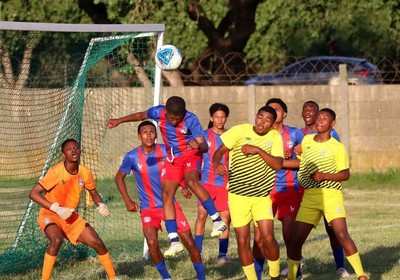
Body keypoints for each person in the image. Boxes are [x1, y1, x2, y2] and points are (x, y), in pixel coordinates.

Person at [108, 96, 226, 257]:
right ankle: (174, 241)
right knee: (167, 194)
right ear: (166, 113)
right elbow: (140, 116)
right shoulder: (158, 112)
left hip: (191, 154)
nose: (174, 121)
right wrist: (119, 120)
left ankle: (217, 221)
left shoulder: (191, 120)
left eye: (177, 118)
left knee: (191, 181)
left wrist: (198, 144)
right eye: (171, 118)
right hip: (174, 158)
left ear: (183, 114)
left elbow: (204, 146)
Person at [114, 120, 205, 280]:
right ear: (139, 136)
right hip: (148, 208)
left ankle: (201, 277)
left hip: (169, 205)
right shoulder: (132, 156)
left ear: (156, 135)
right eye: (145, 132)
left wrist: (184, 185)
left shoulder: (166, 151)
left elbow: (180, 167)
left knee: (189, 242)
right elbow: (119, 178)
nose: (148, 135)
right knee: (152, 243)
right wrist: (127, 200)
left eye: (151, 132)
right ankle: (166, 277)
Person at [286, 108, 368, 280]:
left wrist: (324, 176)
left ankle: (361, 275)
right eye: (319, 118)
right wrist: (290, 159)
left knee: (341, 234)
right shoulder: (307, 140)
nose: (320, 120)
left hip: (331, 195)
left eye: (325, 118)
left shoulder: (337, 147)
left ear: (332, 124)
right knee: (295, 241)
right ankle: (293, 277)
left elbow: (345, 174)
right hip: (310, 196)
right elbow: (302, 157)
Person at [29, 139, 116, 280]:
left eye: (76, 147)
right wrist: (55, 208)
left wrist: (101, 204)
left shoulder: (85, 173)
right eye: (69, 149)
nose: (74, 150)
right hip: (51, 214)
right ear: (64, 153)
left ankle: (113, 277)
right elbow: (33, 193)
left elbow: (93, 193)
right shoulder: (56, 172)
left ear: (80, 150)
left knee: (97, 242)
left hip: (70, 216)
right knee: (56, 240)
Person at [213, 106, 283, 280]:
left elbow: (278, 164)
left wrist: (257, 150)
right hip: (238, 197)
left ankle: (274, 275)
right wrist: (217, 164)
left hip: (261, 197)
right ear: (256, 116)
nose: (262, 122)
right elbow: (218, 152)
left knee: (268, 238)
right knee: (242, 240)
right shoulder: (239, 131)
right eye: (260, 117)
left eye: (267, 120)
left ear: (273, 124)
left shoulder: (275, 137)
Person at [252, 98, 304, 279]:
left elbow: (304, 162)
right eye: (270, 109)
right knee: (259, 238)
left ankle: (294, 272)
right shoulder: (258, 134)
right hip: (263, 190)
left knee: (289, 234)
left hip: (288, 189)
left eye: (278, 109)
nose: (274, 112)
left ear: (284, 113)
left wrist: (283, 161)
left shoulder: (295, 134)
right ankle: (257, 274)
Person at [300, 100, 349, 278]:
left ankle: (340, 266)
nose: (308, 113)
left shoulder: (331, 135)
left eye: (312, 110)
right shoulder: (301, 134)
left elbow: (335, 161)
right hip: (304, 188)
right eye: (305, 110)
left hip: (326, 190)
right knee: (297, 232)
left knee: (333, 229)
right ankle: (296, 267)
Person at [194, 103, 231, 265]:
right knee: (202, 215)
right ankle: (198, 253)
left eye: (222, 117)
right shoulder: (203, 135)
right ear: (211, 118)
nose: (219, 120)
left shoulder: (231, 136)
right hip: (206, 183)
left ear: (226, 118)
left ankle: (222, 255)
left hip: (224, 184)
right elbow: (195, 157)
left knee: (225, 219)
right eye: (216, 116)